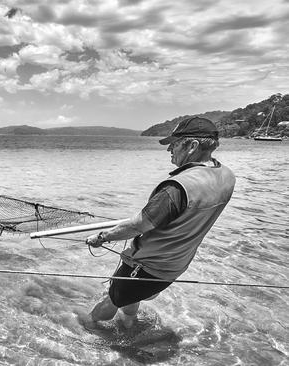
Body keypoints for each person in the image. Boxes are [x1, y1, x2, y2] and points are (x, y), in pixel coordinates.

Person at [77, 116, 236, 329]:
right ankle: (130, 325)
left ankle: (87, 326)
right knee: (132, 297)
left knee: (113, 299)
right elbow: (185, 214)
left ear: (193, 145)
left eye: (174, 144)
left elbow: (137, 226)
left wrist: (101, 237)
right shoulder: (226, 175)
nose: (169, 149)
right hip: (176, 264)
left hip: (147, 266)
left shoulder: (176, 188)